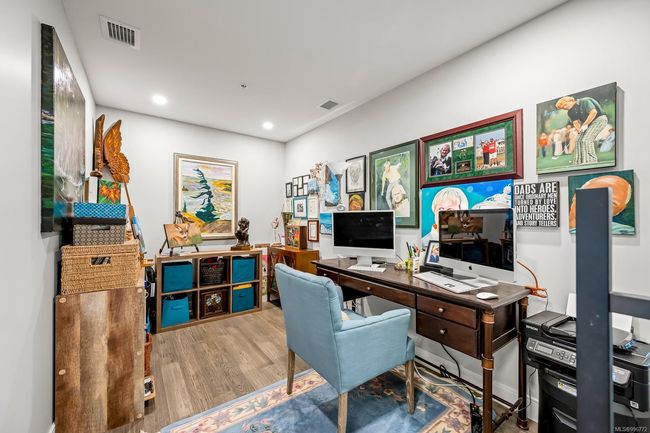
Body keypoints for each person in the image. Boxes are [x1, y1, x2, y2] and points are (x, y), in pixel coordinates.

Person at [555, 95, 608, 166]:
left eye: (565, 105)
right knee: (578, 140)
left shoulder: (584, 101)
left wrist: (585, 124)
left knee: (586, 140)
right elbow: (575, 122)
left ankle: (590, 161)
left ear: (570, 100)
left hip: (599, 119)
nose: (565, 107)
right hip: (588, 124)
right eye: (563, 108)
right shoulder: (570, 112)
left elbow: (593, 112)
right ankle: (579, 162)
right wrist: (579, 130)